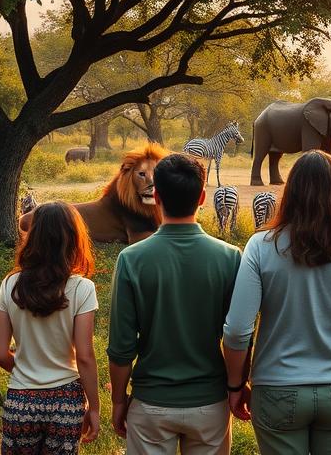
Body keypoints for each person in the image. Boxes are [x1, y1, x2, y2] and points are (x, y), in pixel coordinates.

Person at [222, 150, 331, 455]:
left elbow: (237, 330)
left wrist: (235, 385)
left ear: (290, 191)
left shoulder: (260, 247)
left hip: (276, 389)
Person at [107, 153, 242, 454]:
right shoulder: (230, 257)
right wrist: (236, 385)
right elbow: (238, 334)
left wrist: (118, 401)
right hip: (210, 403)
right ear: (202, 197)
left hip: (151, 404)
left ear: (156, 197)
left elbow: (121, 347)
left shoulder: (131, 260)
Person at [0, 201, 100, 453]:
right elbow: (84, 356)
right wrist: (94, 408)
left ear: (32, 238)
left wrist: (26, 370)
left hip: (21, 399)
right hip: (66, 401)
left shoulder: (10, 285)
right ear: (74, 239)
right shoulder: (82, 288)